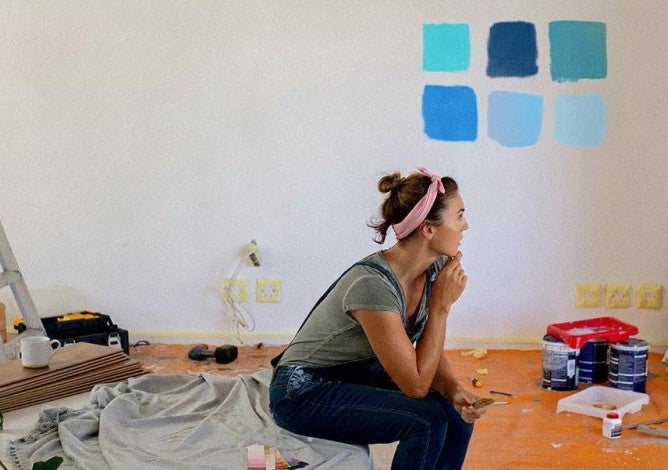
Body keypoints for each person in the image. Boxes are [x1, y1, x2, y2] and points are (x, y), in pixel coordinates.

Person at [269, 167, 484, 469]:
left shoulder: (434, 270)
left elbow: (425, 357)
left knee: (454, 412)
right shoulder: (373, 286)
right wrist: (440, 309)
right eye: (459, 215)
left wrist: (454, 388)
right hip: (302, 390)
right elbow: (417, 386)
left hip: (356, 373)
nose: (466, 226)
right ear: (428, 229)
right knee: (425, 421)